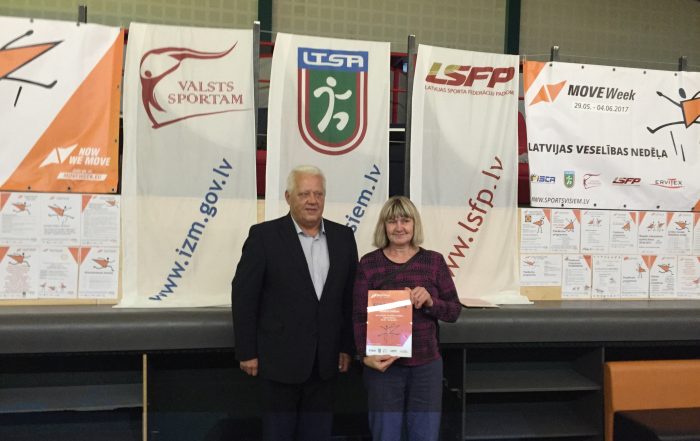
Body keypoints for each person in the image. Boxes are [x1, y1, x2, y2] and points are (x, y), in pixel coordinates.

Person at [231, 165, 358, 441]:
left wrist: (346, 347)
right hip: (278, 362)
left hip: (326, 364)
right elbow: (244, 296)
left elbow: (349, 299)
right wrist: (246, 351)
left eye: (318, 194)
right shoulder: (264, 237)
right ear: (288, 197)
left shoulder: (344, 237)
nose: (312, 201)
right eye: (304, 194)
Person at [352, 195, 462, 441]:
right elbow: (359, 317)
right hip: (384, 367)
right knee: (385, 434)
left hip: (426, 367)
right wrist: (365, 357)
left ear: (415, 224)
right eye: (392, 221)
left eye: (405, 220)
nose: (399, 227)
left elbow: (454, 311)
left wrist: (431, 302)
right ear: (384, 226)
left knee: (425, 434)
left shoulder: (434, 261)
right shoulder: (369, 264)